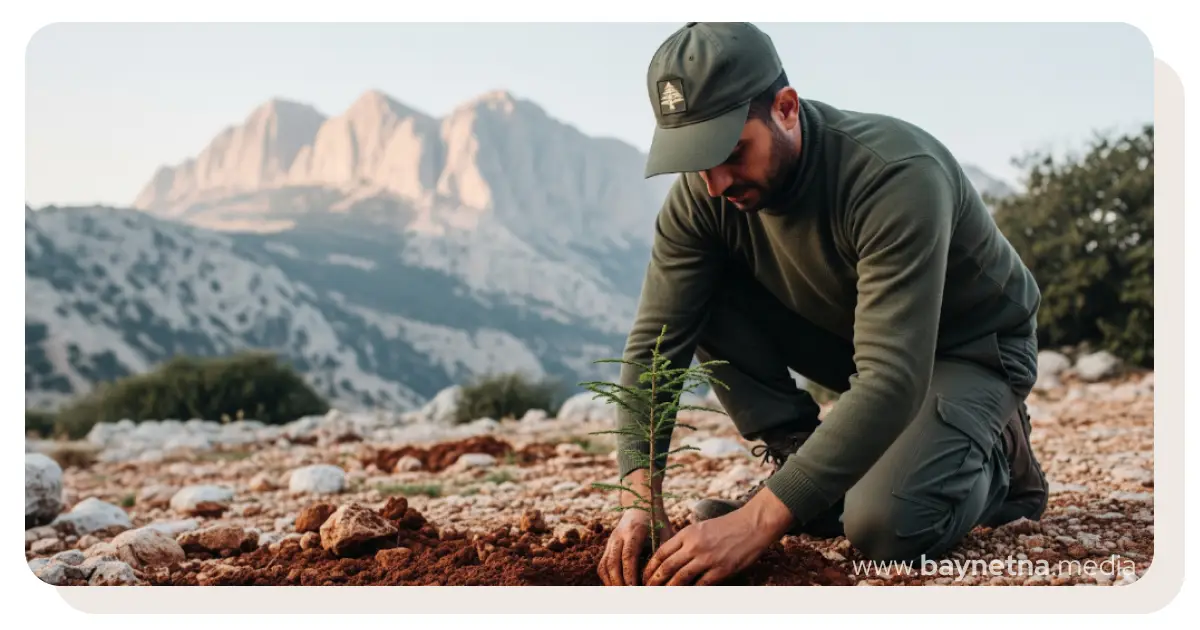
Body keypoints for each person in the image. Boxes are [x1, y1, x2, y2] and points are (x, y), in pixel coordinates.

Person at [597, 22, 1049, 587]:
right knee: (696, 296)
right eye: (696, 160)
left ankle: (999, 455)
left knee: (886, 528)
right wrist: (639, 500)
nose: (715, 183)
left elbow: (891, 377)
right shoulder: (704, 196)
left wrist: (758, 522)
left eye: (731, 152)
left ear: (785, 109)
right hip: (853, 341)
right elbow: (655, 346)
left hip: (968, 351)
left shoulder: (894, 175)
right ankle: (805, 465)